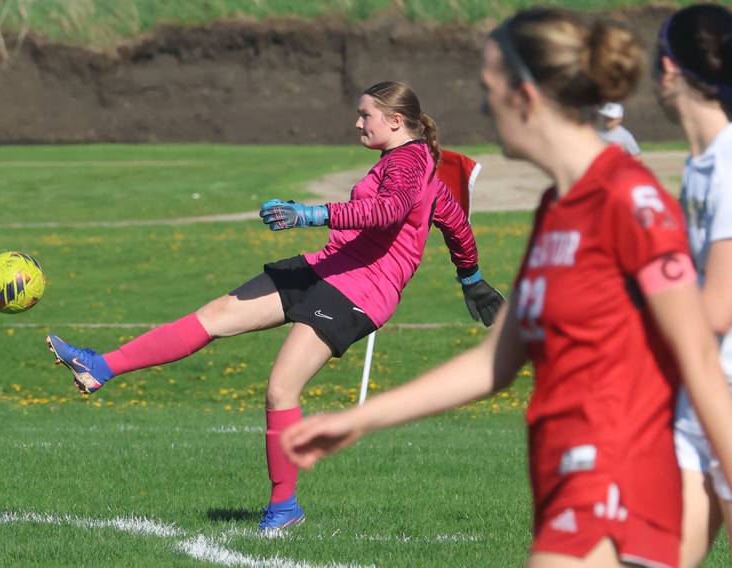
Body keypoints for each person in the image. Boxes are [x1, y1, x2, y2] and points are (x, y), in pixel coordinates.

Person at [281, 8, 732, 567]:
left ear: (527, 96)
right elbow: (497, 360)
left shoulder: (628, 201)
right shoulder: (556, 209)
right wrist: (361, 418)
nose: (481, 106)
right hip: (564, 479)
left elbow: (702, 366)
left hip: (617, 483)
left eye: (488, 88)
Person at [45, 80, 504, 531]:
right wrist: (473, 279)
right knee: (215, 317)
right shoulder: (410, 163)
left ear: (396, 120)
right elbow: (455, 223)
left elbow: (388, 210)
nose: (357, 122)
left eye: (365, 114)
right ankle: (100, 366)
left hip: (358, 292)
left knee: (281, 390)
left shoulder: (408, 162)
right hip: (327, 267)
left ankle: (284, 509)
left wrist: (310, 213)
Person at [652, 4, 732, 566]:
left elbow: (719, 306)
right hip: (701, 388)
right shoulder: (701, 162)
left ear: (669, 68)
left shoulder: (729, 165)